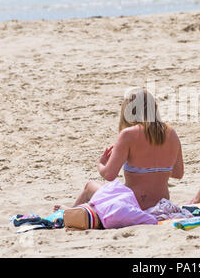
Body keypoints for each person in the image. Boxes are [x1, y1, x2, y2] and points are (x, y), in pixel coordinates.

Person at [54, 88, 184, 227]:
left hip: (131, 206)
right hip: (161, 204)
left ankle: (69, 214)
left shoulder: (129, 134)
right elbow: (178, 174)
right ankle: (75, 213)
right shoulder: (171, 133)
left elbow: (109, 175)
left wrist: (101, 163)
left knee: (90, 187)